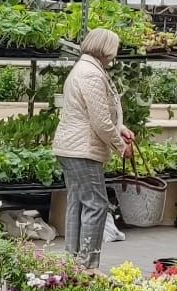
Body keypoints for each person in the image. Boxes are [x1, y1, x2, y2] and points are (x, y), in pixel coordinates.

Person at [52, 28, 133, 268]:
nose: (115, 54)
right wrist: (120, 146)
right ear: (106, 48)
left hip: (72, 146)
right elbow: (98, 121)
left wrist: (119, 127)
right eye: (114, 48)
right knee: (96, 205)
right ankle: (87, 264)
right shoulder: (91, 74)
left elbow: (92, 114)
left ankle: (73, 261)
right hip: (83, 148)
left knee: (78, 201)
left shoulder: (86, 69)